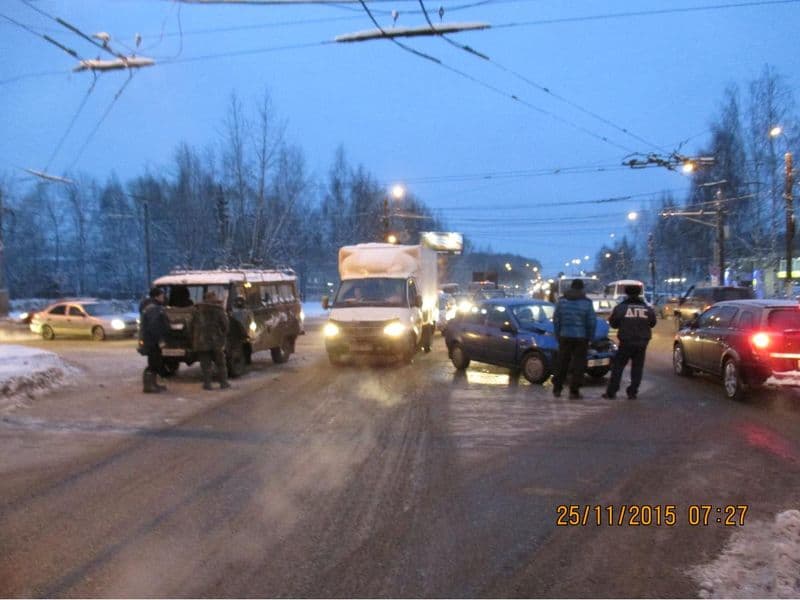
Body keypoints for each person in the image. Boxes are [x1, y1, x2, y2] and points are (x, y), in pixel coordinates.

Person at [602, 284, 657, 400]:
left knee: (618, 367)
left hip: (626, 342)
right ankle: (633, 392)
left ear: (627, 294)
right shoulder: (647, 308)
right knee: (637, 368)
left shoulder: (621, 308)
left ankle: (612, 392)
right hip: (642, 342)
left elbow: (614, 323)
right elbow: (652, 323)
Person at [552, 279, 597, 399]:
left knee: (562, 362)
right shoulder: (587, 303)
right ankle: (574, 391)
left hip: (564, 336)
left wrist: (558, 334)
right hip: (581, 337)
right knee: (579, 364)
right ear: (582, 288)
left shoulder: (561, 301)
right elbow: (591, 322)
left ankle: (557, 388)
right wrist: (590, 337)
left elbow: (556, 319)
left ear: (571, 287)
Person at [192, 290, 230, 391]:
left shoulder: (197, 310)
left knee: (205, 365)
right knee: (220, 363)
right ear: (214, 298)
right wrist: (223, 335)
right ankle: (223, 383)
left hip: (201, 342)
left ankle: (207, 384)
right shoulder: (219, 310)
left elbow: (192, 325)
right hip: (216, 341)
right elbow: (225, 325)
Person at [140, 287, 171, 393]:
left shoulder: (153, 307)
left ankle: (153, 384)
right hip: (153, 341)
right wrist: (160, 340)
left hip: (151, 340)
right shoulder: (154, 309)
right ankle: (149, 386)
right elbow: (154, 326)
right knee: (154, 363)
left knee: (154, 362)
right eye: (162, 295)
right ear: (157, 296)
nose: (164, 297)